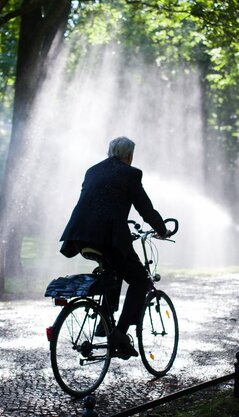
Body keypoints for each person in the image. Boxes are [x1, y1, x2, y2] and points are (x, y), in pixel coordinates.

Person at [60, 136, 171, 359]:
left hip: (79, 237)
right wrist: (162, 229)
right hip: (107, 238)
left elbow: (94, 202)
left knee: (114, 269)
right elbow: (145, 209)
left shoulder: (92, 170)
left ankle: (104, 323)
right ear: (129, 156)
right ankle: (119, 334)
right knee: (139, 280)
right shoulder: (131, 174)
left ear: (110, 152)